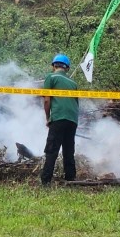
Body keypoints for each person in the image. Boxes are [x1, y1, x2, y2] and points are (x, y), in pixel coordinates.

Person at [40, 54, 79, 185]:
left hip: (58, 117)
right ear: (67, 68)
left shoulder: (51, 77)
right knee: (69, 149)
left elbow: (47, 100)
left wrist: (48, 117)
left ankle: (46, 181)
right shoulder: (73, 83)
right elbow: (76, 103)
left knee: (52, 149)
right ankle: (70, 179)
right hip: (72, 120)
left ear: (53, 66)